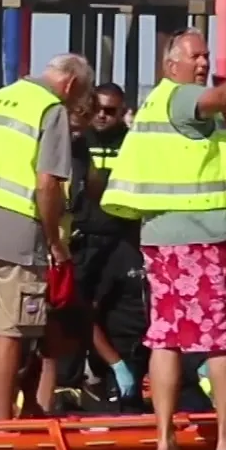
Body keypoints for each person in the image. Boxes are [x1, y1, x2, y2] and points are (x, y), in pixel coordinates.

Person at [102, 31, 226, 450]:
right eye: (196, 56)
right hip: (202, 235)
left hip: (159, 235)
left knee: (165, 337)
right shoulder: (183, 97)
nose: (204, 63)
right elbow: (218, 98)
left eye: (207, 55)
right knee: (221, 338)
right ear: (172, 64)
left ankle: (164, 441)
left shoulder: (154, 102)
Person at [0, 54, 90, 422]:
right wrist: (54, 241)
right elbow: (47, 184)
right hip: (17, 229)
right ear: (70, 85)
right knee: (11, 332)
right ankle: (2, 424)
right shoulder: (50, 109)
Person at [71, 84, 148, 408]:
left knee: (122, 312)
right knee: (77, 310)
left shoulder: (132, 143)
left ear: (122, 112)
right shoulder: (77, 142)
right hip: (83, 237)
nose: (102, 116)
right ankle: (84, 377)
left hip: (122, 236)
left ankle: (118, 374)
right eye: (98, 109)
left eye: (110, 111)